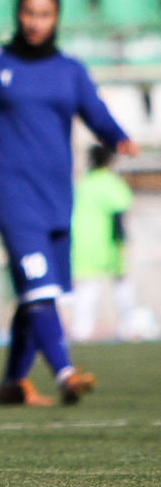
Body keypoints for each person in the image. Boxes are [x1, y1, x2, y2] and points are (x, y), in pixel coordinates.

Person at [0, 0, 139, 407]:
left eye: (45, 14)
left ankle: (13, 382)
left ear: (56, 18)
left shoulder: (69, 70)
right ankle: (66, 373)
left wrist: (119, 137)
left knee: (37, 292)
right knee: (39, 291)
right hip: (13, 196)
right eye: (29, 13)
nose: (36, 22)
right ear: (18, 15)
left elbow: (96, 112)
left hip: (58, 198)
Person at [69, 145, 145, 342]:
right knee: (122, 285)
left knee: (87, 289)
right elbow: (118, 213)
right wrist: (122, 240)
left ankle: (81, 331)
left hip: (83, 244)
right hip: (108, 243)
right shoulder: (111, 182)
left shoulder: (83, 183)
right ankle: (128, 328)